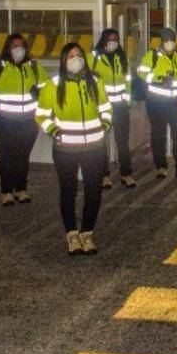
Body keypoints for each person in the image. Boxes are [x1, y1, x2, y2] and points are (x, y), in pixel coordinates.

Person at [36, 43, 112, 256]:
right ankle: (72, 234)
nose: (76, 59)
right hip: (65, 148)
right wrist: (53, 130)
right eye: (71, 56)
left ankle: (87, 233)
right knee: (68, 191)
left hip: (94, 147)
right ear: (63, 60)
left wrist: (105, 125)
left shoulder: (95, 82)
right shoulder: (53, 84)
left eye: (79, 55)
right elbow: (41, 114)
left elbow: (106, 108)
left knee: (93, 192)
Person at [0, 33, 46, 205]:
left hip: (28, 121)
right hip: (3, 121)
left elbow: (47, 89)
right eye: (15, 46)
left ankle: (21, 190)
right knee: (7, 157)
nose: (18, 50)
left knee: (23, 157)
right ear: (8, 48)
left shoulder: (34, 67)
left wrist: (39, 93)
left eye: (21, 46)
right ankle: (6, 192)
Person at [137, 27, 177, 179]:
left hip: (176, 102)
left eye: (172, 39)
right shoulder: (152, 55)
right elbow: (141, 72)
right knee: (157, 135)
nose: (169, 42)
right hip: (157, 102)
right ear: (161, 41)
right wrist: (159, 79)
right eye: (166, 39)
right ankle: (161, 166)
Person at [89, 29, 136, 189]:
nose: (113, 42)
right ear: (103, 40)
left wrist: (127, 100)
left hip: (121, 107)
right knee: (101, 142)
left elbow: (128, 81)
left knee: (122, 142)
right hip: (102, 109)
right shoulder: (93, 58)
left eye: (116, 39)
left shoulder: (122, 57)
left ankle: (126, 174)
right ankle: (104, 175)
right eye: (110, 39)